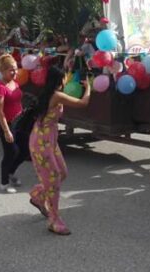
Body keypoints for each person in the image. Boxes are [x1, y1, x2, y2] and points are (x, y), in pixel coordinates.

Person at [29, 66, 91, 235]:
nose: (66, 80)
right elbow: (83, 103)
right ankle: (54, 220)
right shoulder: (56, 96)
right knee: (54, 179)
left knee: (62, 173)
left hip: (49, 140)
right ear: (60, 80)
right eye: (65, 78)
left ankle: (38, 194)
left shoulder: (49, 93)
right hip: (41, 142)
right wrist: (88, 88)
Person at [0, 54, 24, 193]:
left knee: (23, 151)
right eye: (11, 70)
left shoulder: (15, 83)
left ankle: (11, 172)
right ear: (3, 71)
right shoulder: (0, 87)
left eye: (16, 69)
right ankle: (4, 183)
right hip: (8, 125)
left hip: (19, 123)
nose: (15, 72)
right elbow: (0, 112)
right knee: (11, 153)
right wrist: (7, 131)